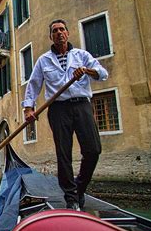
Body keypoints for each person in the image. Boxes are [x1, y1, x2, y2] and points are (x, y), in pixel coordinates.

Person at [22, 19, 108, 211]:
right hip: (58, 109)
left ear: (68, 33)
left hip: (82, 105)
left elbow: (102, 74)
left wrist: (87, 70)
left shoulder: (82, 55)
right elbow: (34, 84)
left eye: (62, 29)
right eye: (55, 31)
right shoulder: (44, 60)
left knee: (93, 150)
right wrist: (28, 108)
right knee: (64, 154)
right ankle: (71, 198)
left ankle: (79, 189)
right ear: (50, 36)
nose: (59, 33)